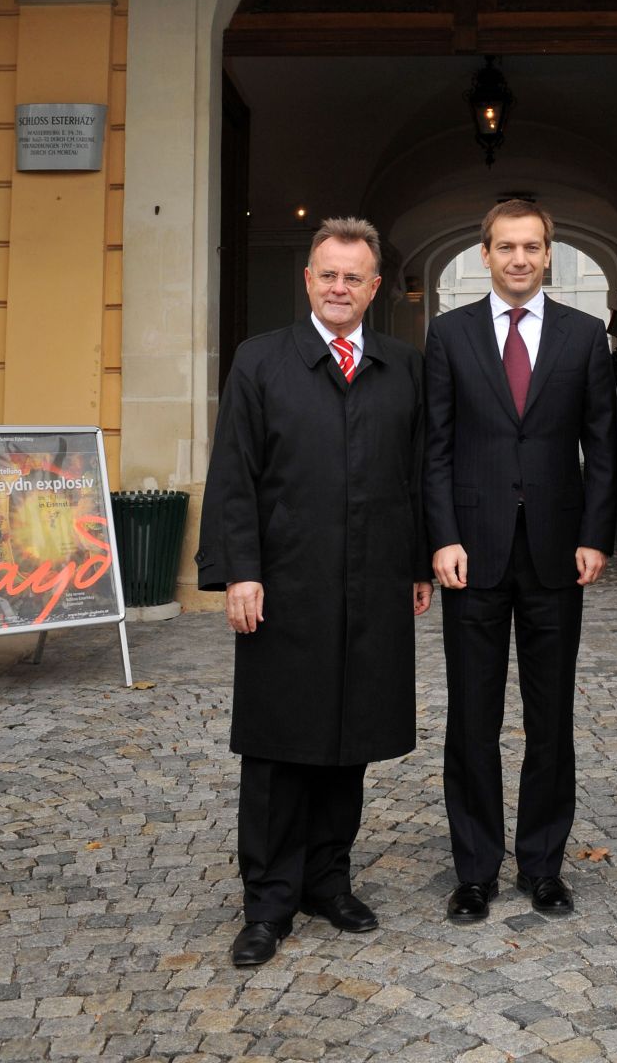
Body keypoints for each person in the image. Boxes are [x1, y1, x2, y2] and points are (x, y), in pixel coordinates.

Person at [196, 216, 432, 967]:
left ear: (374, 288)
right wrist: (239, 569)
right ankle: (268, 901)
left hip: (372, 584)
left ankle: (329, 880)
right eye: (327, 274)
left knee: (349, 739)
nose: (339, 287)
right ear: (308, 280)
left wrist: (419, 563)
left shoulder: (402, 367)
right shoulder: (261, 362)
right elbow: (234, 474)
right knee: (277, 746)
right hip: (283, 588)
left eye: (353, 277)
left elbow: (417, 473)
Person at [424, 199, 617, 922]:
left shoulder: (583, 335)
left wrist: (597, 535)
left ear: (548, 253)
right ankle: (473, 869)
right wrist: (441, 536)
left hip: (554, 554)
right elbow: (434, 448)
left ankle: (543, 865)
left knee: (552, 717)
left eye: (532, 246)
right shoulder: (448, 335)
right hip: (470, 555)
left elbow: (603, 446)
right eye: (506, 246)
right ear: (485, 254)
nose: (519, 258)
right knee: (471, 718)